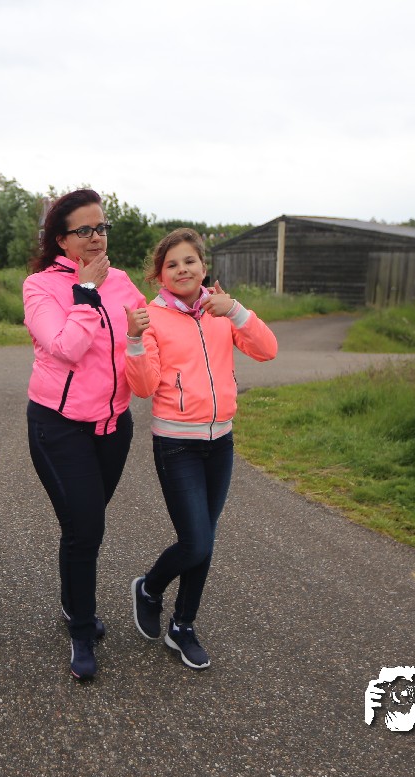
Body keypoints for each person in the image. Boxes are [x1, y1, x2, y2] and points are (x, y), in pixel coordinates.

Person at [124, 228, 277, 669]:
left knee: (204, 540)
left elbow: (267, 350)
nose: (182, 269)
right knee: (196, 541)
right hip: (177, 444)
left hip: (221, 442)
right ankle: (150, 588)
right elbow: (143, 387)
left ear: (203, 267)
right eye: (171, 264)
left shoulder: (221, 310)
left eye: (189, 261)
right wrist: (134, 339)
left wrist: (237, 311)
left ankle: (182, 626)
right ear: (160, 276)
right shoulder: (152, 318)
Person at [22, 188, 146, 681]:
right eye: (85, 230)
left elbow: (147, 334)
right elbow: (66, 347)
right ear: (61, 238)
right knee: (87, 528)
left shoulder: (123, 281)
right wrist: (87, 291)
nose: (97, 238)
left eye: (102, 227)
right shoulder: (39, 287)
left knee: (82, 527)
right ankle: (80, 628)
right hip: (58, 426)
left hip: (114, 426)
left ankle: (72, 603)